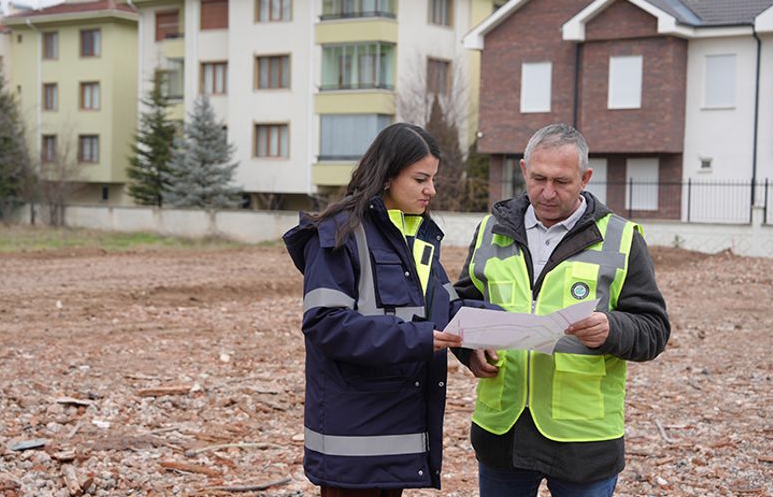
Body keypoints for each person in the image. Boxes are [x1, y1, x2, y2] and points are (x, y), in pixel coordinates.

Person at [453, 123, 671, 496]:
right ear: (523, 169)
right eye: (538, 178)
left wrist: (612, 329)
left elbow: (654, 329)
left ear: (585, 178)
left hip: (583, 442)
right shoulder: (491, 230)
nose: (548, 192)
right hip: (502, 434)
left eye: (562, 181)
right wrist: (467, 350)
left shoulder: (622, 239)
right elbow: (460, 303)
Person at [284, 122, 481, 496]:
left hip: (398, 433)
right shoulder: (337, 234)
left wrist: (477, 340)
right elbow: (326, 324)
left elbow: (442, 307)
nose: (431, 190)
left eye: (433, 179)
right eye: (421, 179)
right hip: (352, 440)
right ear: (389, 176)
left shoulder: (415, 236)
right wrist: (420, 338)